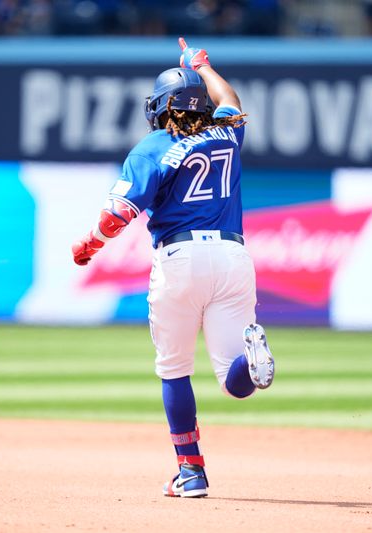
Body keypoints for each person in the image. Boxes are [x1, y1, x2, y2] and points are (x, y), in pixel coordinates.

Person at [71, 37, 275, 498]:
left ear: (161, 106)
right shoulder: (227, 132)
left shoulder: (153, 146)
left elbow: (116, 216)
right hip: (232, 256)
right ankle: (254, 360)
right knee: (234, 382)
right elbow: (231, 101)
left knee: (174, 370)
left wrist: (89, 246)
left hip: (179, 259)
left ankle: (192, 472)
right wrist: (202, 65)